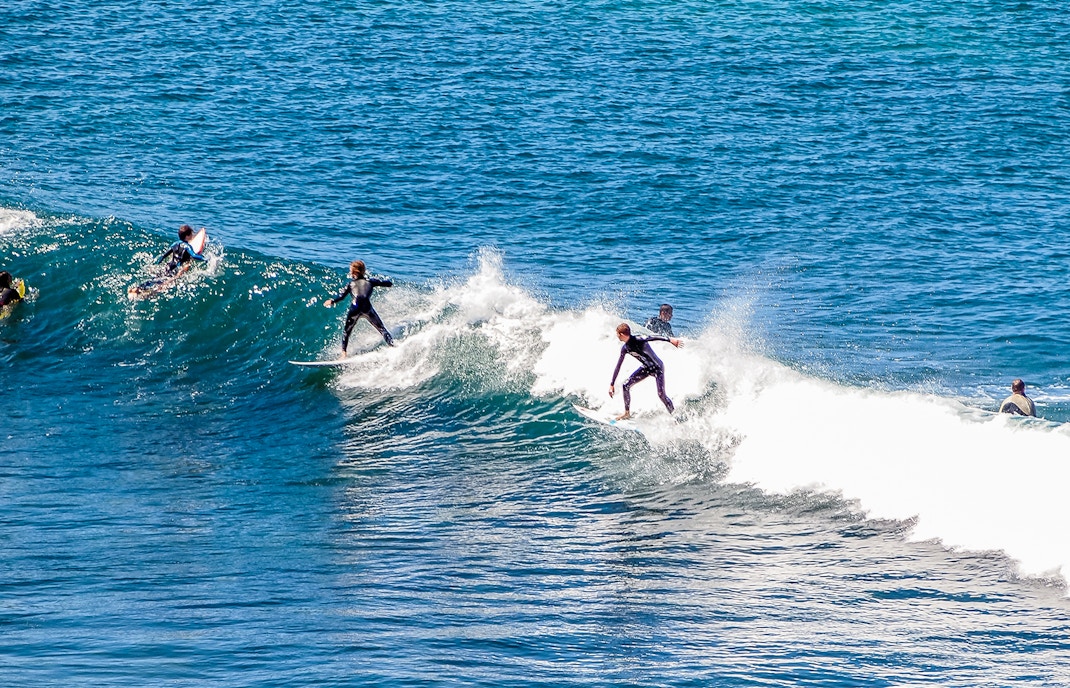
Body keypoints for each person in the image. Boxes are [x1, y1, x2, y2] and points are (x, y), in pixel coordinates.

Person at [608, 322, 682, 420]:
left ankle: (675, 417)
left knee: (661, 394)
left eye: (617, 334)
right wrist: (612, 384)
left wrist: (670, 340)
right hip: (646, 368)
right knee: (625, 385)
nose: (617, 336)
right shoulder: (625, 348)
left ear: (621, 334)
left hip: (657, 368)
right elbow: (618, 366)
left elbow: (653, 337)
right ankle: (626, 413)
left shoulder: (639, 339)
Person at [324, 260, 394, 355]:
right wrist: (388, 283)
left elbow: (341, 297)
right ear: (364, 271)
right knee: (382, 329)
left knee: (346, 332)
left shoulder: (350, 284)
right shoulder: (371, 281)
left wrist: (332, 301)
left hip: (355, 309)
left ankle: (344, 353)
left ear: (353, 272)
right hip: (367, 308)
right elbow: (387, 283)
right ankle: (392, 346)